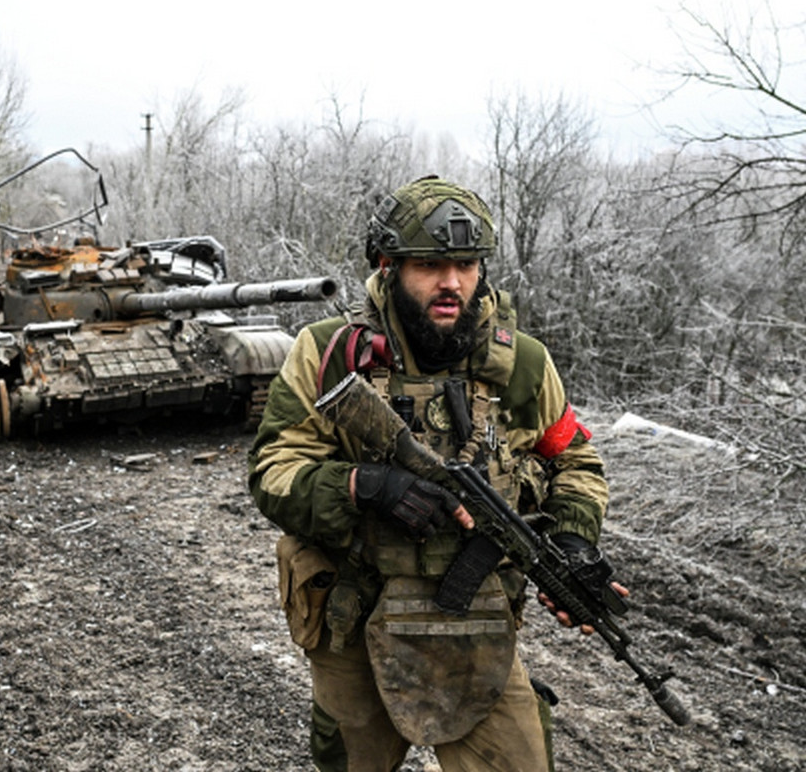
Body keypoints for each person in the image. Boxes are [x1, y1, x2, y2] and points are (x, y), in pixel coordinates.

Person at [248, 176, 611, 771]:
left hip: (477, 622)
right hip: (353, 611)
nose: (452, 283)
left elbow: (574, 461)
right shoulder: (327, 353)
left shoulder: (521, 364)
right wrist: (366, 488)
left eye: (467, 264)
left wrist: (573, 538)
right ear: (389, 267)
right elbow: (273, 471)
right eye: (430, 265)